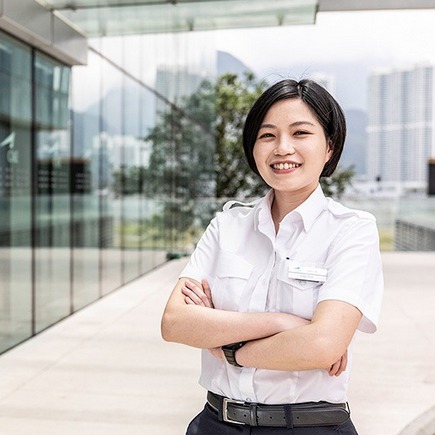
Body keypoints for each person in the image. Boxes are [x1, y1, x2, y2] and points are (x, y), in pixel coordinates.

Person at [161, 78, 383, 435]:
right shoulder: (226, 226)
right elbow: (175, 323)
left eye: (300, 133)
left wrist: (227, 346)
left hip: (310, 427)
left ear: (329, 146)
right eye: (267, 135)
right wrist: (282, 323)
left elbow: (322, 345)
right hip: (216, 424)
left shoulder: (351, 230)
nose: (282, 148)